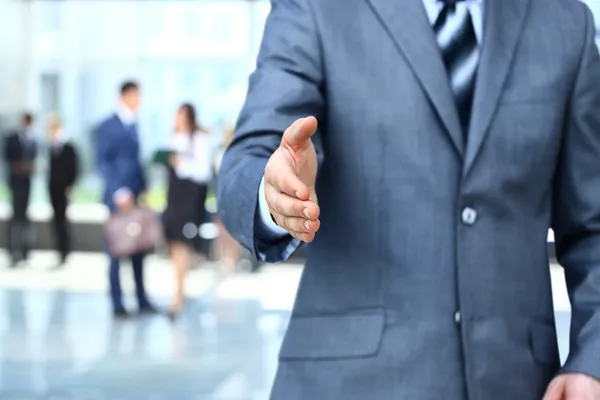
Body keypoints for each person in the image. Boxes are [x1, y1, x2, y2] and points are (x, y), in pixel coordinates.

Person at [217, 0, 600, 399]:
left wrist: (593, 360)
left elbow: (592, 223)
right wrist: (274, 189)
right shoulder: (317, 8)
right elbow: (255, 152)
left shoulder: (564, 21)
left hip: (518, 384)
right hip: (350, 384)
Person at [95, 81, 156, 318]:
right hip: (117, 199)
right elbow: (102, 162)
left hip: (136, 198)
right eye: (135, 96)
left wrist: (144, 189)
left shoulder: (134, 124)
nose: (138, 100)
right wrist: (118, 191)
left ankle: (141, 299)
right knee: (115, 251)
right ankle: (117, 303)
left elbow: (136, 161)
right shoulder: (108, 126)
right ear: (125, 96)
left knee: (138, 249)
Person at [162, 103, 212, 320]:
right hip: (173, 195)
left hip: (188, 196)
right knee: (175, 244)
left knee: (181, 243)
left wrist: (181, 163)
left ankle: (179, 296)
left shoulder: (200, 139)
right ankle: (181, 288)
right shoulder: (175, 137)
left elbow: (203, 172)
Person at [3, 113, 37, 267]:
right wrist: (18, 166)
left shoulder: (33, 140)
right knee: (15, 217)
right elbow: (7, 158)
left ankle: (25, 251)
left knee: (25, 217)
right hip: (16, 182)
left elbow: (33, 159)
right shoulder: (11, 138)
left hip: (27, 182)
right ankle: (12, 250)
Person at [47, 115, 79, 268]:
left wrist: (70, 185)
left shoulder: (68, 147)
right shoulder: (51, 147)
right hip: (53, 189)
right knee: (56, 220)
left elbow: (74, 168)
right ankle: (60, 250)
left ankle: (65, 250)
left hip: (64, 188)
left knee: (63, 220)